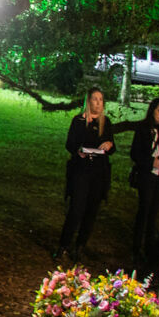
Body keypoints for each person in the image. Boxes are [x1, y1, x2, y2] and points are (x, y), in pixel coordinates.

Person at [53, 88, 114, 264]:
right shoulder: (79, 121)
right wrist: (79, 150)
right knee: (76, 209)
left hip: (99, 172)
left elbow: (112, 147)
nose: (98, 102)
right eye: (94, 99)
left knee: (91, 211)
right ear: (88, 101)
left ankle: (80, 246)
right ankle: (63, 245)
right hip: (81, 171)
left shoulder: (106, 123)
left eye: (100, 100)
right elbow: (70, 144)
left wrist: (109, 145)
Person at [128, 98, 159, 291]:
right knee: (144, 210)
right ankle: (136, 248)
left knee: (154, 213)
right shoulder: (143, 129)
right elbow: (135, 153)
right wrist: (150, 162)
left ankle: (149, 248)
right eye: (158, 111)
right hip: (147, 177)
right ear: (152, 111)